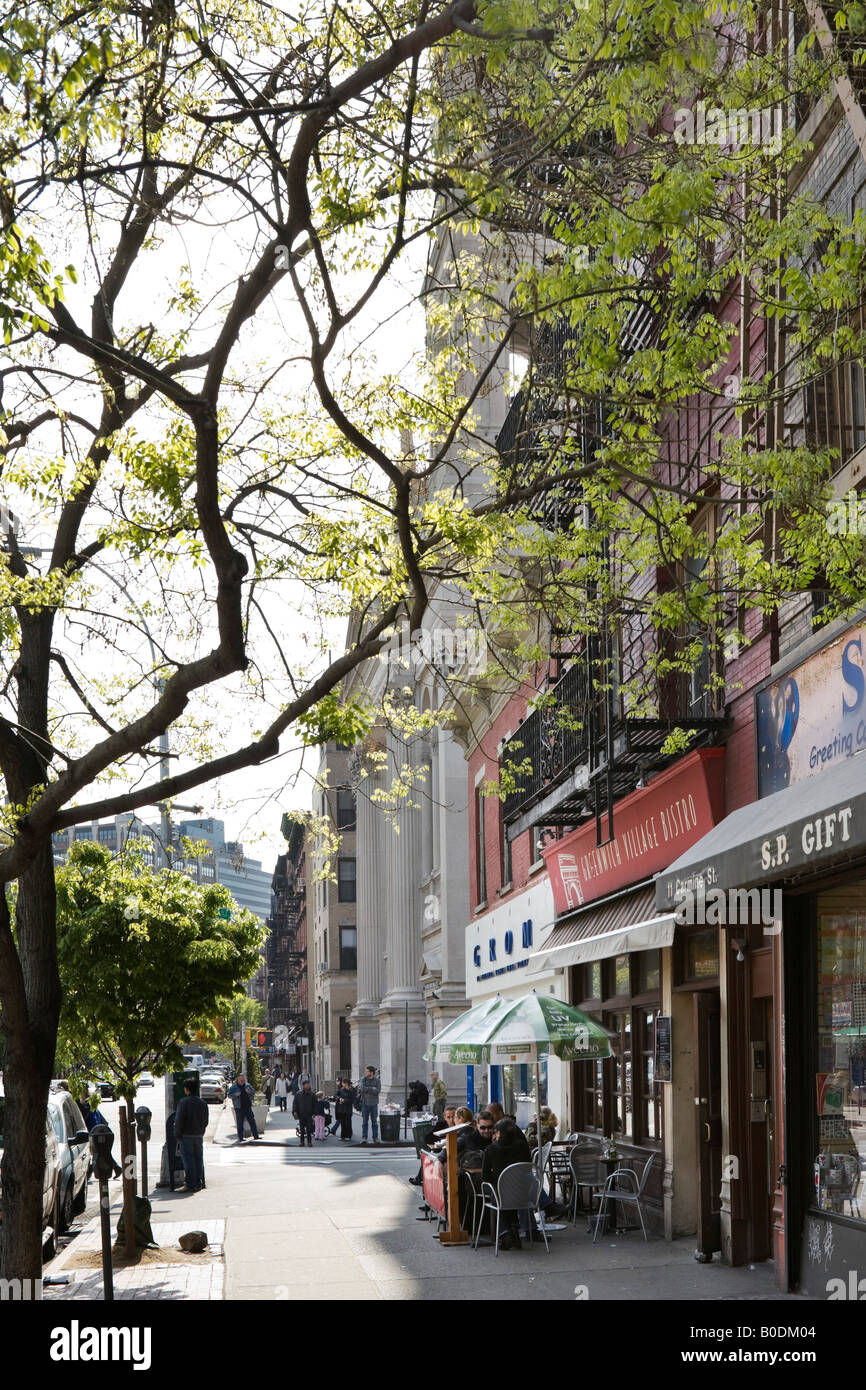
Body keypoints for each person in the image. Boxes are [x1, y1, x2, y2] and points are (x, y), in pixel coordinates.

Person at [481, 1118, 532, 1250]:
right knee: (508, 1193)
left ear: (498, 1133)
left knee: (497, 1193)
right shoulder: (522, 1146)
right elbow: (527, 1168)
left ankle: (505, 1233)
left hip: (500, 1192)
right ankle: (513, 1228)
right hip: (521, 1192)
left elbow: (485, 1176)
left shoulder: (491, 1149)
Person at [174, 1079, 210, 1192]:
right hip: (198, 1134)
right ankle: (198, 1183)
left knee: (188, 1160)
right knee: (198, 1159)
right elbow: (205, 1120)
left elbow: (179, 1119)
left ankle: (190, 1184)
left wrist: (177, 1133)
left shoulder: (184, 1102)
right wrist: (202, 1130)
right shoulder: (202, 1103)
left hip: (186, 1135)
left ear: (187, 1089)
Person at [78, 1092, 123, 1178]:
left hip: (93, 1132)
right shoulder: (92, 1105)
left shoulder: (86, 1106)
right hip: (97, 1131)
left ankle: (115, 1168)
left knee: (99, 1152)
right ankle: (116, 1168)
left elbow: (91, 1120)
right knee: (101, 1152)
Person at [228, 1073, 260, 1142]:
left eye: (243, 1080)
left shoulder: (247, 1085)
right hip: (239, 1108)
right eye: (241, 1080)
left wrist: (249, 1092)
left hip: (248, 1107)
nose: (242, 1081)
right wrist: (235, 1095)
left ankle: (256, 1136)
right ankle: (241, 1137)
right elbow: (229, 1095)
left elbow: (253, 1092)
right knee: (240, 1123)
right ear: (238, 1080)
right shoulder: (234, 1087)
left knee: (252, 1121)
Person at [358, 1065, 381, 1145]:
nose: (365, 1072)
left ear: (371, 1072)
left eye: (367, 1071)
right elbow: (362, 1089)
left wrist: (367, 1088)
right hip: (365, 1103)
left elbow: (377, 1091)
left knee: (374, 1122)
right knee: (365, 1122)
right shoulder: (363, 1079)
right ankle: (364, 1137)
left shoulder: (377, 1080)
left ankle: (375, 1137)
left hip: (374, 1104)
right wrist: (371, 1088)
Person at [293, 1079, 316, 1147]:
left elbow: (315, 1104)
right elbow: (295, 1103)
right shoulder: (298, 1094)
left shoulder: (312, 1094)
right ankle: (302, 1142)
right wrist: (294, 1111)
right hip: (301, 1114)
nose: (308, 1085)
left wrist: (314, 1113)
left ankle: (309, 1142)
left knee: (309, 1129)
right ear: (303, 1085)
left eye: (308, 1084)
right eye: (306, 1084)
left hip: (309, 1114)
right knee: (302, 1129)